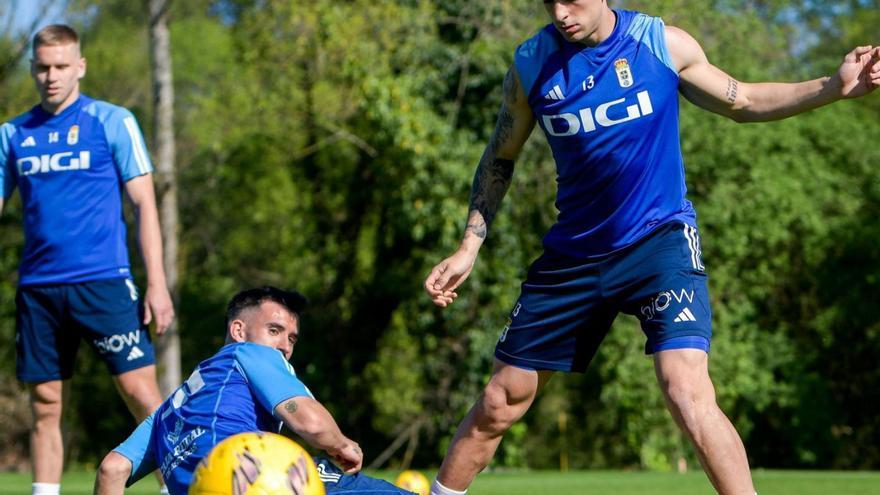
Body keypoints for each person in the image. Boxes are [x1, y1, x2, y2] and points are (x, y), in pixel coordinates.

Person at [424, 2, 880, 495]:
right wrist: (469, 246)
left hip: (659, 242)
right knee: (500, 400)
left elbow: (743, 100)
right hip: (574, 255)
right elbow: (499, 158)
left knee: (685, 391)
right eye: (548, 1)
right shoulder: (532, 62)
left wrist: (832, 87)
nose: (560, 12)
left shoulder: (661, 44)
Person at [0, 24, 175, 495]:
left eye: (60, 66)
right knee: (45, 402)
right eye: (42, 67)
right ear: (33, 69)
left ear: (80, 66)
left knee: (142, 395)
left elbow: (144, 204)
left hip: (104, 282)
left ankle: (175, 488)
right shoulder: (13, 134)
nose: (51, 76)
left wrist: (156, 284)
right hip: (38, 288)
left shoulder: (112, 121)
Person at [94, 286, 414, 495]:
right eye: (274, 331)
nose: (284, 346)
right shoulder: (247, 354)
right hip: (252, 479)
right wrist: (342, 445)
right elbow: (310, 423)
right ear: (239, 331)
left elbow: (112, 469)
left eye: (291, 338)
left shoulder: (168, 409)